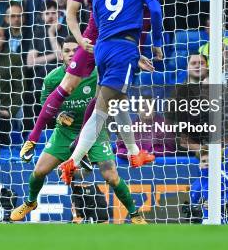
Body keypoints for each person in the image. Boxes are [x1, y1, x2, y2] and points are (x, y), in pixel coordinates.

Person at [10, 36, 146, 224]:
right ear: (61, 54)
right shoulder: (52, 79)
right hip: (64, 133)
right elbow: (45, 108)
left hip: (95, 131)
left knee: (111, 176)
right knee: (39, 171)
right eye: (67, 51)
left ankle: (135, 214)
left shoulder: (97, 72)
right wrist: (59, 117)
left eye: (75, 50)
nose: (71, 54)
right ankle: (30, 202)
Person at [58, 0, 163, 183]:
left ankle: (135, 153)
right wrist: (156, 43)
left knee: (118, 103)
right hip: (121, 51)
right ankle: (73, 161)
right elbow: (155, 11)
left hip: (103, 50)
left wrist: (131, 57)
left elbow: (107, 28)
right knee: (102, 110)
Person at [20, 0, 111, 160]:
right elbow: (70, 14)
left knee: (104, 95)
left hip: (114, 39)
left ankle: (81, 146)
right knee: (67, 85)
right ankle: (32, 137)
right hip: (92, 36)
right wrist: (80, 39)